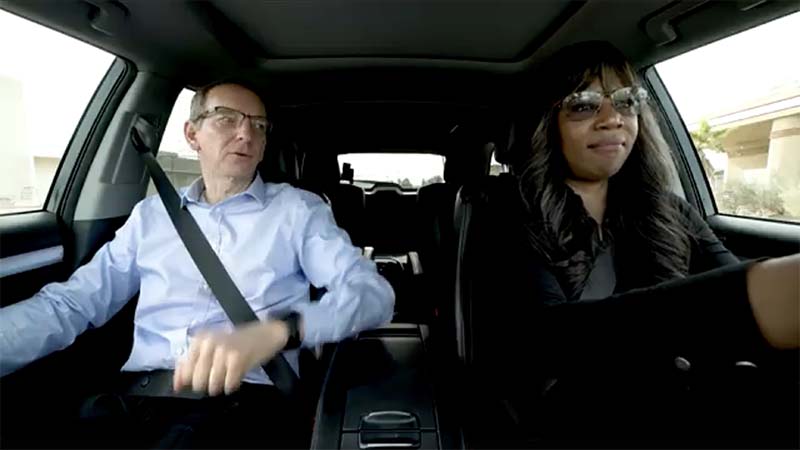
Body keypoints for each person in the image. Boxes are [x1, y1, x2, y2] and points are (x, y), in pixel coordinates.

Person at [0, 82, 395, 448]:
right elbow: (73, 303)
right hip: (133, 397)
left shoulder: (297, 210)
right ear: (192, 135)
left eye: (259, 125)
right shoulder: (151, 216)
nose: (246, 134)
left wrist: (282, 330)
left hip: (243, 402)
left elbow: (371, 293)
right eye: (228, 119)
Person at [461, 41, 799, 447]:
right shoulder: (506, 212)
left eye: (626, 101)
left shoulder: (669, 209)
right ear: (546, 122)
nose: (612, 119)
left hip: (683, 398)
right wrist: (748, 297)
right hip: (572, 418)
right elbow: (548, 340)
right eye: (583, 105)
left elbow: (725, 274)